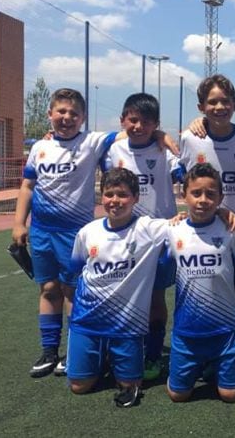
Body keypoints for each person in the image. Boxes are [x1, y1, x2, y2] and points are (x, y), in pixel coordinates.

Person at [12, 88, 117, 378]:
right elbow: (27, 187)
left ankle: (75, 351)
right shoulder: (39, 148)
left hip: (76, 233)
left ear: (83, 118)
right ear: (50, 114)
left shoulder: (91, 142)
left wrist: (159, 136)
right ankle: (49, 350)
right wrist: (19, 223)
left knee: (72, 291)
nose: (67, 117)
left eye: (74, 113)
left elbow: (125, 134)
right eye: (61, 111)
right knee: (48, 289)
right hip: (42, 231)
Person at [179, 74, 235, 380]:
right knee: (201, 290)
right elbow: (185, 179)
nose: (219, 106)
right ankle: (200, 353)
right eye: (212, 101)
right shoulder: (190, 138)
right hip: (201, 231)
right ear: (202, 106)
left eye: (225, 101)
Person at [66, 168, 170, 407]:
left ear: (135, 197)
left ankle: (113, 359)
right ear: (101, 197)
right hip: (87, 322)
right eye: (109, 194)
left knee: (129, 386)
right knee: (79, 387)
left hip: (127, 327)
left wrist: (223, 212)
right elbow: (77, 271)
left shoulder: (149, 229)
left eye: (122, 195)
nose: (115, 201)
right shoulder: (88, 232)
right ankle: (99, 358)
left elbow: (188, 222)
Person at [102, 92, 182, 381]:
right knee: (122, 295)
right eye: (133, 120)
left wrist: (166, 138)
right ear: (123, 120)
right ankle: (121, 351)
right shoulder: (112, 150)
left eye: (147, 122)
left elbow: (184, 172)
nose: (138, 126)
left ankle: (152, 353)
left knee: (156, 297)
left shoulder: (164, 150)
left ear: (156, 125)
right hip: (123, 237)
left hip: (159, 237)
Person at [165, 164, 235, 403]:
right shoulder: (173, 231)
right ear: (184, 195)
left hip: (225, 329)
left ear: (220, 198)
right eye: (196, 193)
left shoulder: (230, 229)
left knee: (232, 395)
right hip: (187, 331)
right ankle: (200, 364)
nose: (203, 200)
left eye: (211, 194)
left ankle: (222, 364)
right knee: (178, 395)